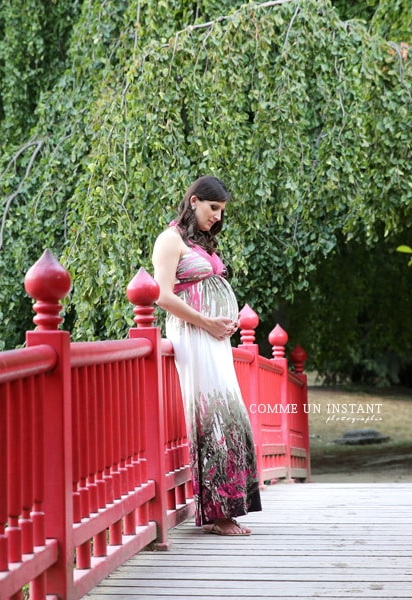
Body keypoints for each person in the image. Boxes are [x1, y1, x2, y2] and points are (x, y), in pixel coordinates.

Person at [151, 175, 262, 536]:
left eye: (221, 211)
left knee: (230, 415)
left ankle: (230, 506)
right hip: (193, 336)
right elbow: (162, 296)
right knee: (212, 417)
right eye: (213, 208)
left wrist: (219, 326)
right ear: (194, 201)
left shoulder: (199, 244)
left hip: (213, 338)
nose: (217, 216)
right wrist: (206, 323)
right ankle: (218, 514)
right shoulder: (169, 240)